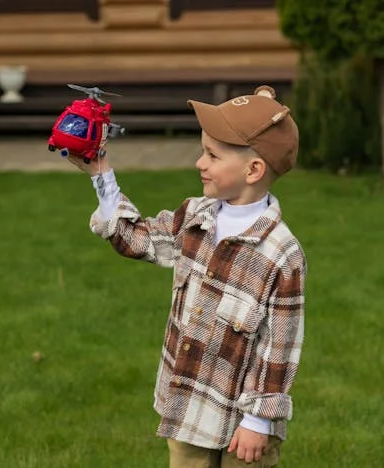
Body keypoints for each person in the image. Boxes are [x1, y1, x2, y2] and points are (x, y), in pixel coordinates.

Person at [68, 85, 306, 468]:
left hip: (242, 421)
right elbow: (137, 238)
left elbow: (280, 346)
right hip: (188, 406)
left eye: (212, 155)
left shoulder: (281, 253)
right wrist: (100, 173)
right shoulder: (195, 216)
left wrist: (258, 420)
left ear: (253, 170)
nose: (199, 163)